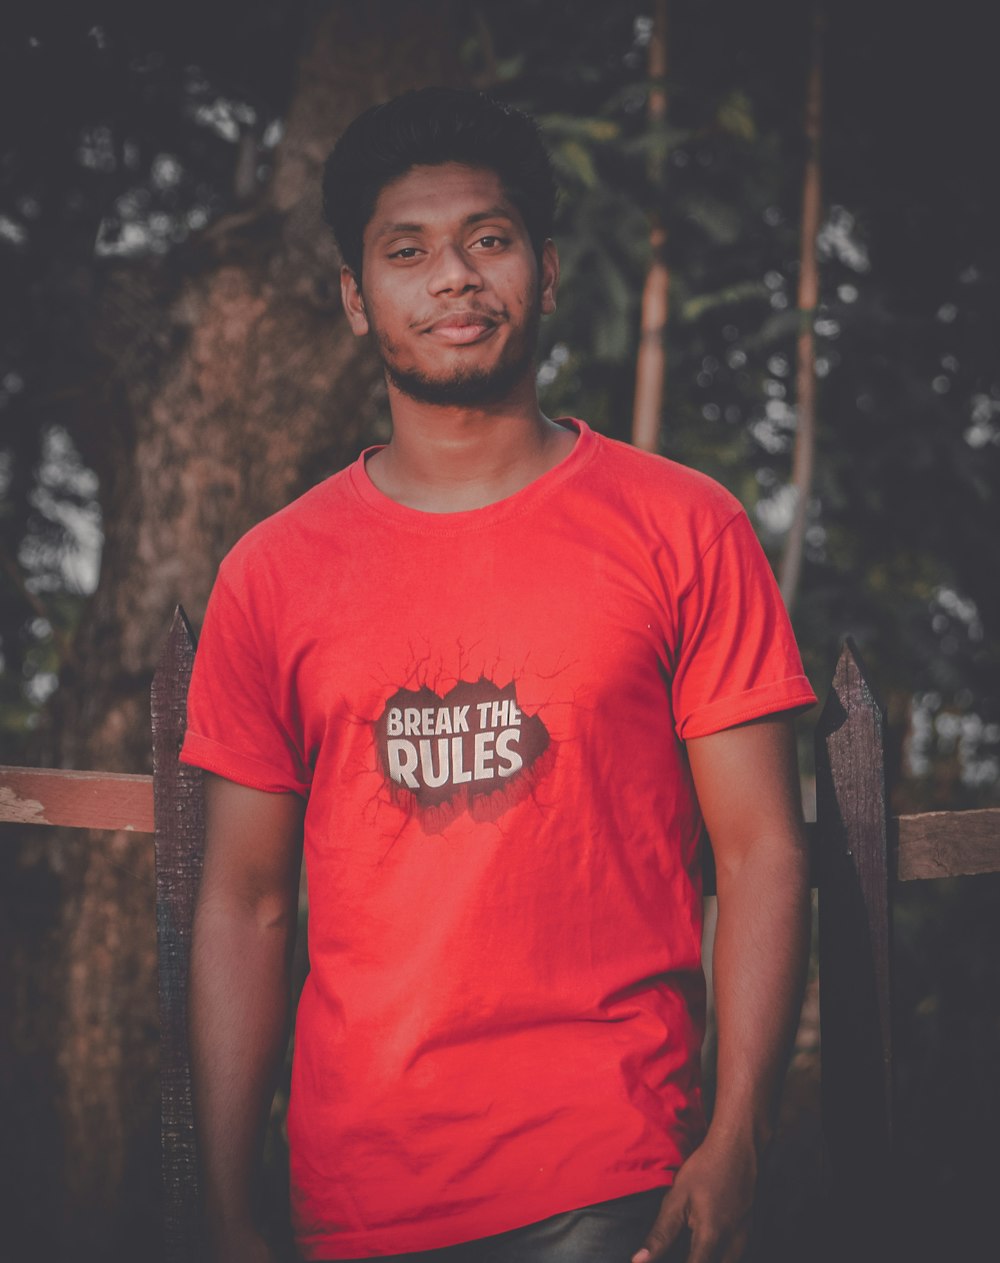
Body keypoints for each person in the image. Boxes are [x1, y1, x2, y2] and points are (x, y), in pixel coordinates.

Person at [182, 87, 817, 1263]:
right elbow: (245, 901)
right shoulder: (271, 576)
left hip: (610, 1170)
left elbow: (761, 850)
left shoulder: (684, 528)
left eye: (488, 239)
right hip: (354, 1193)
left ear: (547, 267)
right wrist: (227, 1208)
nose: (455, 278)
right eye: (407, 251)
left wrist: (737, 1136)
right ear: (354, 298)